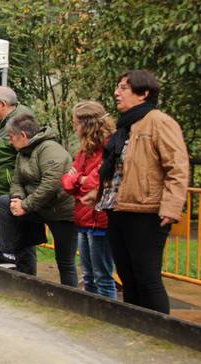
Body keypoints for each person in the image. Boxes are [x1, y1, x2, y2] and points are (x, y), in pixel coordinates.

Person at [88, 70, 189, 313]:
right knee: (127, 276)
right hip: (118, 209)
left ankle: (162, 335)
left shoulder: (159, 122)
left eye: (123, 88)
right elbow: (119, 169)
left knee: (147, 278)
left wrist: (172, 206)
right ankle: (135, 328)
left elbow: (177, 166)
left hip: (147, 212)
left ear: (143, 94)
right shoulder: (126, 125)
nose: (116, 92)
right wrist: (97, 194)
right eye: (118, 86)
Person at [0, 113, 77, 286]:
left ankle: (70, 296)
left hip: (61, 212)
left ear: (23, 136)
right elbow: (17, 181)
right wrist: (17, 200)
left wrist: (25, 205)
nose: (10, 142)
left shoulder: (50, 149)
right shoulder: (22, 153)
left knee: (65, 261)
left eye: (11, 137)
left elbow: (52, 184)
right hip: (36, 208)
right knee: (5, 202)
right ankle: (8, 255)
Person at [61, 101, 117, 299]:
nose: (74, 128)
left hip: (100, 219)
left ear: (86, 124)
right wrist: (79, 179)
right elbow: (68, 182)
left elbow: (96, 183)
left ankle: (109, 313)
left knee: (102, 276)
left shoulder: (110, 148)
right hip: (83, 218)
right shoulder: (85, 151)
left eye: (76, 123)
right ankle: (90, 310)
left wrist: (80, 179)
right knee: (88, 275)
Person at [0, 86, 34, 263]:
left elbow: (28, 157)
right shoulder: (2, 123)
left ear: (2, 104)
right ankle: (11, 264)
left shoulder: (20, 121)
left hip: (16, 189)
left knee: (22, 240)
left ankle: (26, 278)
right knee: (13, 237)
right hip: (5, 189)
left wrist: (18, 185)